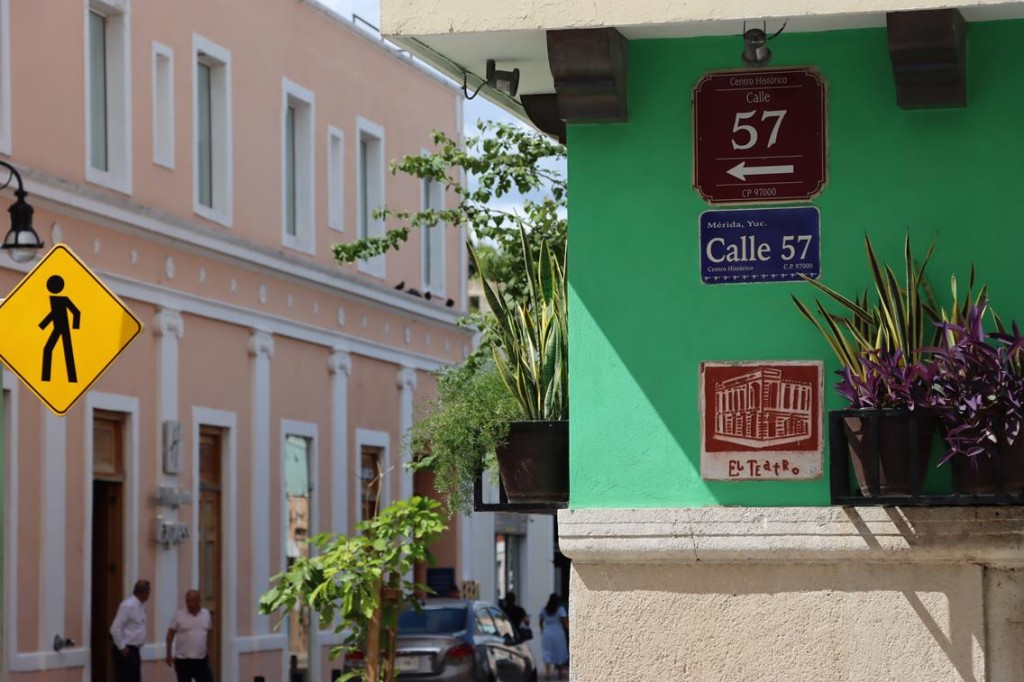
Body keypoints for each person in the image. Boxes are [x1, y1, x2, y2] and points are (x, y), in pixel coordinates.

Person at [165, 589, 214, 682]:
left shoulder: (206, 614)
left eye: (193, 601)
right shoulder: (178, 615)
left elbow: (209, 633)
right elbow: (170, 635)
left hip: (201, 660)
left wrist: (208, 649)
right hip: (183, 660)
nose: (190, 604)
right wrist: (168, 654)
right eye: (188, 601)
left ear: (199, 601)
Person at [110, 579, 150, 682]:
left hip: (135, 649)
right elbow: (115, 628)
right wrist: (122, 647)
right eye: (148, 592)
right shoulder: (128, 605)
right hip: (127, 650)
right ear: (143, 592)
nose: (148, 595)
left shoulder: (141, 606)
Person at [539, 593, 568, 679]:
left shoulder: (544, 610)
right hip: (558, 632)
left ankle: (548, 672)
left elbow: (540, 621)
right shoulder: (560, 609)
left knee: (547, 651)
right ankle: (560, 673)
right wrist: (570, 631)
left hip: (547, 631)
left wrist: (542, 630)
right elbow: (565, 621)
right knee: (559, 651)